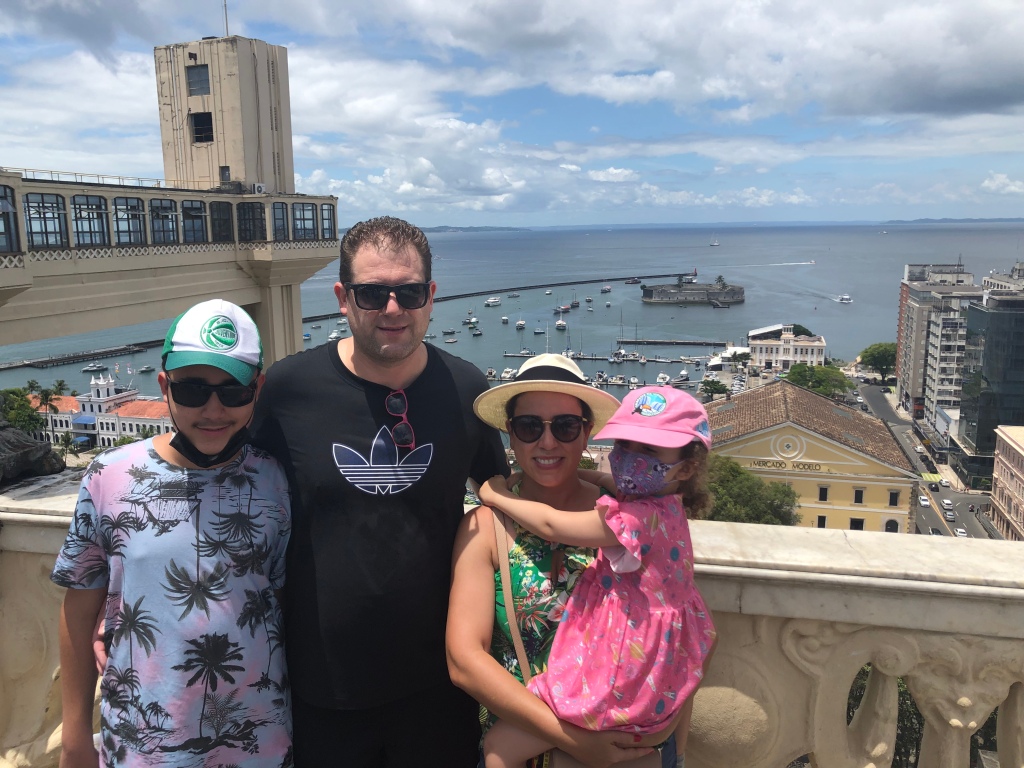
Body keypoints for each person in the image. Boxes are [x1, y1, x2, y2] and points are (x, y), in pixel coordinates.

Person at [250, 216, 508, 767]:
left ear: (431, 297)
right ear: (343, 298)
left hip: (439, 685)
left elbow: (503, 496)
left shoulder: (466, 389)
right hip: (323, 687)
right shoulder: (290, 389)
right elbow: (228, 497)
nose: (393, 309)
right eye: (372, 293)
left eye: (409, 292)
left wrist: (605, 498)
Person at [52, 299, 292, 768]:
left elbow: (282, 603)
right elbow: (79, 609)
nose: (213, 409)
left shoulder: (275, 480)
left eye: (234, 392)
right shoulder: (110, 475)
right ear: (164, 386)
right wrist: (75, 736)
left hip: (261, 738)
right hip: (141, 742)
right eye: (193, 391)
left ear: (257, 389)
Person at [447, 356, 682, 768]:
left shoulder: (628, 522)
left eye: (566, 427)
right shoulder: (486, 527)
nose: (548, 442)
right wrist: (571, 740)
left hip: (625, 745)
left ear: (587, 432)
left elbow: (674, 622)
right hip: (531, 750)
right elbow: (465, 660)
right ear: (510, 433)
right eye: (529, 427)